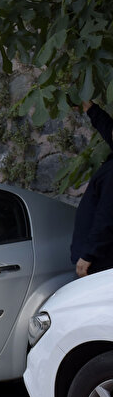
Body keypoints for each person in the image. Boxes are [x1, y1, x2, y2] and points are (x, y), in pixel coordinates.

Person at [73, 101, 113, 277]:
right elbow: (109, 131)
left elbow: (108, 216)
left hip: (99, 263)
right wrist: (91, 109)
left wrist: (89, 254)